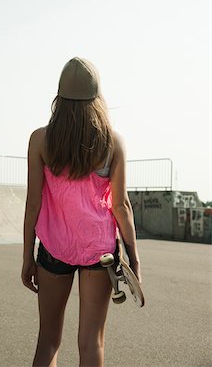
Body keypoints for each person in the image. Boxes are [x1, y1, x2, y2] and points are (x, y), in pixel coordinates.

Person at [21, 57, 141, 367]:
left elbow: (33, 203)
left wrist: (27, 257)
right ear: (97, 98)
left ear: (59, 97)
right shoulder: (113, 142)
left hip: (54, 250)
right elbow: (120, 205)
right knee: (91, 343)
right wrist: (134, 259)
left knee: (48, 340)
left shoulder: (41, 140)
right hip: (100, 253)